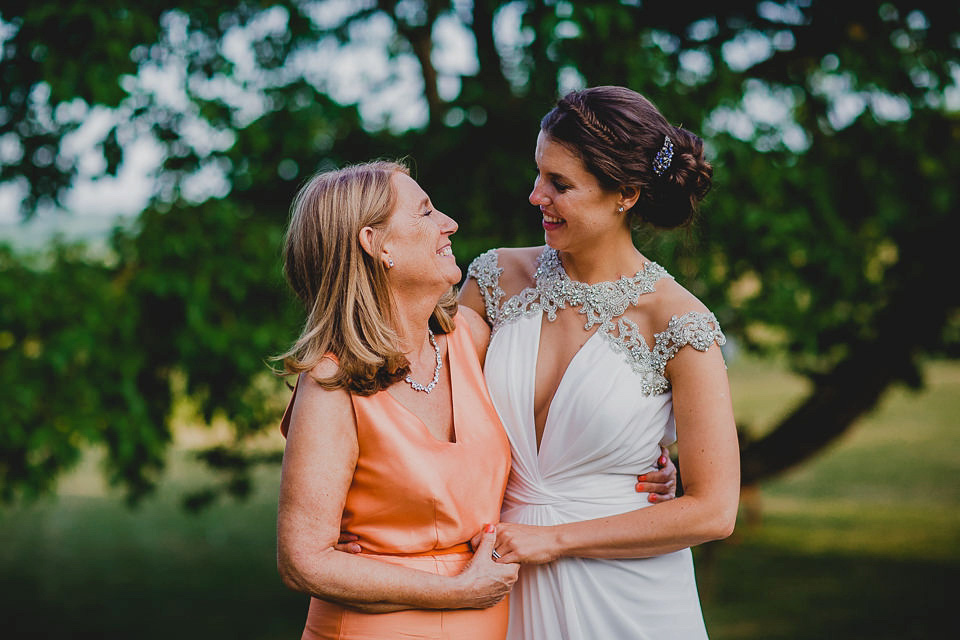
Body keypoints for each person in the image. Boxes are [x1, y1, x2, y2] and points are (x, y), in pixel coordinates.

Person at [273, 159, 679, 639]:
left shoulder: (471, 340)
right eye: (425, 213)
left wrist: (635, 459)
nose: (449, 223)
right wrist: (459, 590)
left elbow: (562, 401)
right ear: (376, 245)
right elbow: (303, 560)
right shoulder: (331, 380)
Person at [459, 86, 740, 639]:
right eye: (539, 173)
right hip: (495, 577)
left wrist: (555, 539)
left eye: (560, 183)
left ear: (626, 195)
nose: (536, 195)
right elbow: (429, 409)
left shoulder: (680, 323)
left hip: (626, 598)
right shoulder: (494, 280)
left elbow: (713, 511)